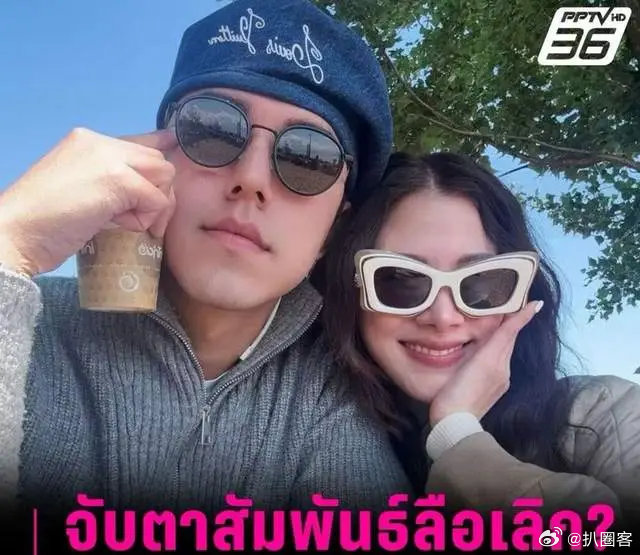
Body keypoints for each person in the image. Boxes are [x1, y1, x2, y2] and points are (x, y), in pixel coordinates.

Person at [0, 0, 411, 518]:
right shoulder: (28, 322)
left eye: (310, 158)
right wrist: (9, 242)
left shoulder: (332, 399)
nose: (251, 179)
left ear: (334, 229)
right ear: (156, 157)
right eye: (213, 129)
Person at [322, 151, 640, 525]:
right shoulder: (308, 427)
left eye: (481, 283)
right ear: (352, 289)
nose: (443, 318)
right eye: (400, 279)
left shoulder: (607, 413)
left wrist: (457, 436)